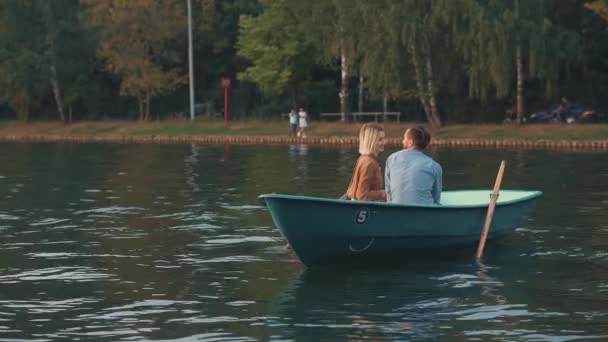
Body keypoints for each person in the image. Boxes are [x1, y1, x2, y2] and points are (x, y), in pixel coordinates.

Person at [385, 126, 442, 205]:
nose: (402, 141)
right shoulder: (434, 166)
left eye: (404, 138)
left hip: (396, 210)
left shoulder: (391, 159)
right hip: (424, 212)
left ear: (410, 142)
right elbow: (436, 198)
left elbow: (389, 194)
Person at [342, 123, 387, 201]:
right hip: (362, 209)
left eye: (383, 138)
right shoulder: (369, 163)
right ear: (371, 141)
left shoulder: (363, 158)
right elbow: (362, 195)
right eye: (380, 139)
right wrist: (384, 193)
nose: (384, 142)